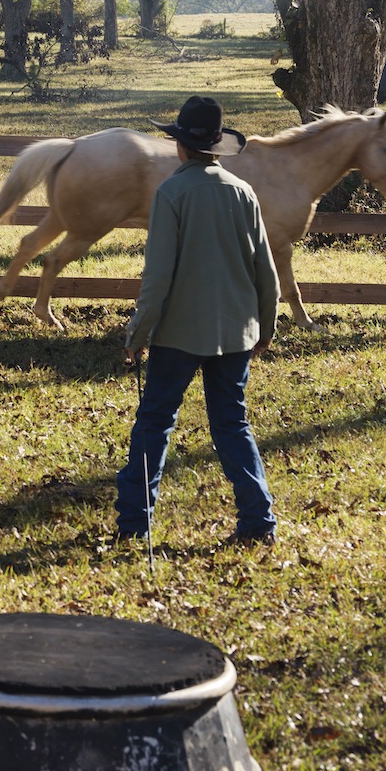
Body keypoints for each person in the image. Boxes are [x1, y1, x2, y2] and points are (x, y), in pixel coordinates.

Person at [118, 95, 281, 547]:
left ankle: (134, 520)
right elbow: (265, 271)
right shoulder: (243, 193)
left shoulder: (171, 193)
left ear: (180, 146)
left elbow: (157, 277)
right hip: (234, 333)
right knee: (232, 425)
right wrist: (265, 329)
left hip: (177, 334)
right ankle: (258, 520)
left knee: (155, 421)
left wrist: (138, 331)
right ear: (216, 147)